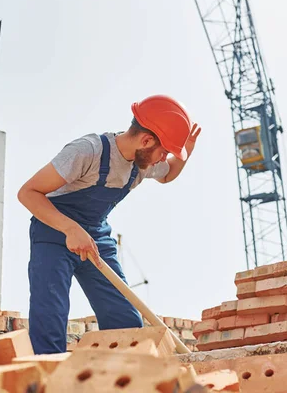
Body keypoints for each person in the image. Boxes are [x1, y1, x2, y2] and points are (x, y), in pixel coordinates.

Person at [17, 94, 201, 354]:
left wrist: (184, 154)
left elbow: (168, 174)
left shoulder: (143, 163)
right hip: (53, 231)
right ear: (146, 140)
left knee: (125, 320)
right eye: (164, 152)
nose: (163, 159)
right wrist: (70, 228)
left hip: (96, 236)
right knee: (50, 315)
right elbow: (28, 192)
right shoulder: (87, 152)